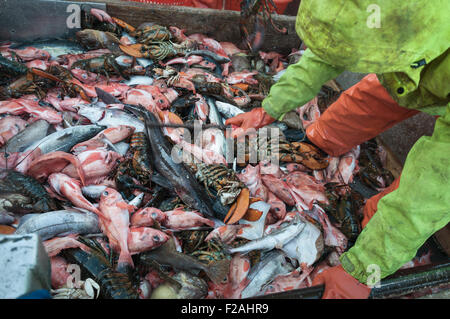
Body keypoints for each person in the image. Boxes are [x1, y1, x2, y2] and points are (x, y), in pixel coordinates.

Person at [225, 0, 449, 298]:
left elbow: (434, 184)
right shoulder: (380, 22)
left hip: (435, 75)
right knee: (356, 108)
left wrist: (366, 268)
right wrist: (270, 109)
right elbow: (329, 51)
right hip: (406, 62)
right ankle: (323, 142)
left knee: (410, 200)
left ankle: (375, 228)